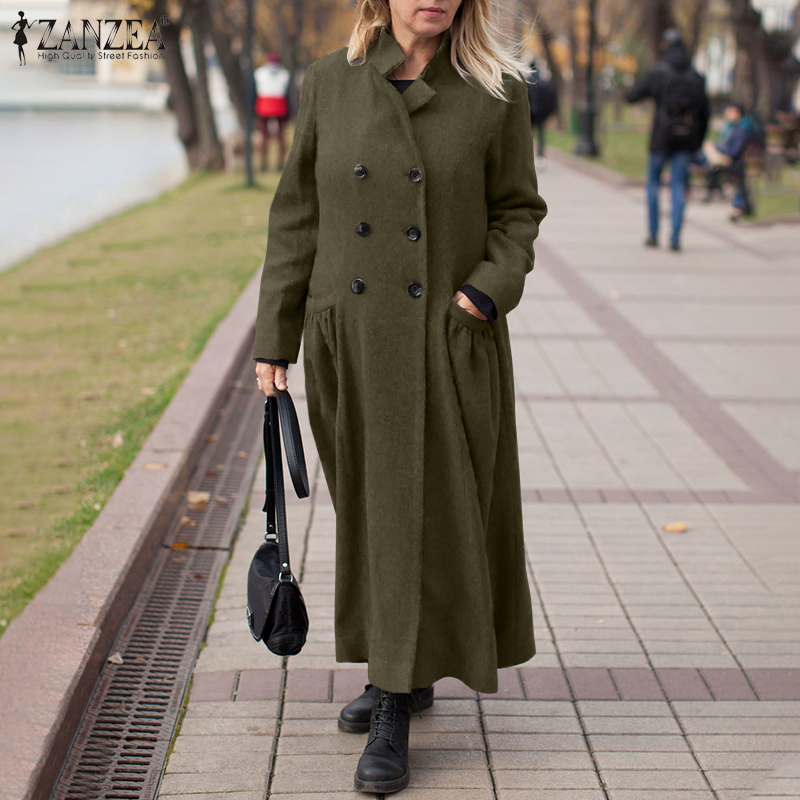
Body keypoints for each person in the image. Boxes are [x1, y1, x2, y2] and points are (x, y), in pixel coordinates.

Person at [251, 0, 547, 793]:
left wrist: (485, 293)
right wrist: (276, 338)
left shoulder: (496, 91)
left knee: (421, 515)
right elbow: (296, 215)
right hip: (351, 340)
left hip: (445, 341)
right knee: (374, 513)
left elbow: (518, 211)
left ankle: (391, 696)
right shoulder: (330, 82)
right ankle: (404, 670)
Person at [625, 28, 710, 251]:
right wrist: (698, 143)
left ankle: (653, 234)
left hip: (661, 137)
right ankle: (675, 236)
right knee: (678, 185)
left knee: (653, 183)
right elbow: (705, 114)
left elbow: (633, 95)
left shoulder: (659, 73)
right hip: (686, 139)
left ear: (665, 46)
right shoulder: (696, 77)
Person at [697, 100, 751, 219]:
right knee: (706, 150)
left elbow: (735, 151)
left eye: (730, 111)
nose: (727, 113)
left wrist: (718, 149)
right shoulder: (730, 127)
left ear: (737, 113)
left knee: (706, 154)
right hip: (725, 157)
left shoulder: (741, 129)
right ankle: (712, 185)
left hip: (732, 160)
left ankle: (712, 186)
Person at [253, 52, 291, 171]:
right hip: (279, 105)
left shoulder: (259, 73)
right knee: (280, 136)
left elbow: (255, 92)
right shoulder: (284, 74)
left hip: (264, 105)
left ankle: (264, 163)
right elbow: (287, 94)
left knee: (264, 135)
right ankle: (280, 162)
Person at [526, 59, 558, 162]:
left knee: (528, 134)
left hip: (530, 113)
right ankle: (540, 154)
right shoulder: (542, 82)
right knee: (540, 134)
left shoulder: (527, 82)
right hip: (540, 113)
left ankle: (528, 154)